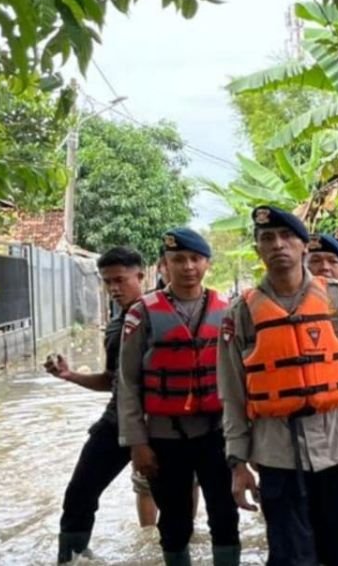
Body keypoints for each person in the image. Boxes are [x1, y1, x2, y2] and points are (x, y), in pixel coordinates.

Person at [217, 206, 338, 566]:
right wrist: (238, 463)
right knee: (289, 557)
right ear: (258, 249)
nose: (278, 245)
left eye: (287, 236)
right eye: (267, 238)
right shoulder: (239, 313)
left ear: (304, 245)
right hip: (277, 455)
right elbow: (232, 394)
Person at [117, 228, 240, 566]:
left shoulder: (228, 310)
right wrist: (137, 442)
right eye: (178, 260)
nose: (188, 266)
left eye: (195, 259)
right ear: (163, 265)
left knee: (225, 517)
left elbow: (239, 379)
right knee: (174, 522)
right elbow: (127, 383)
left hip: (217, 433)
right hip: (164, 437)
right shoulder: (141, 314)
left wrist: (245, 440)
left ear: (207, 263)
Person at [49, 247, 153, 563]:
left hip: (159, 423)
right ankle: (72, 557)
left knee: (175, 500)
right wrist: (70, 375)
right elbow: (112, 380)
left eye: (120, 280)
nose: (114, 288)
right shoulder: (116, 324)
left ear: (140, 275)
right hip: (116, 421)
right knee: (80, 493)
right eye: (107, 282)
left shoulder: (161, 316)